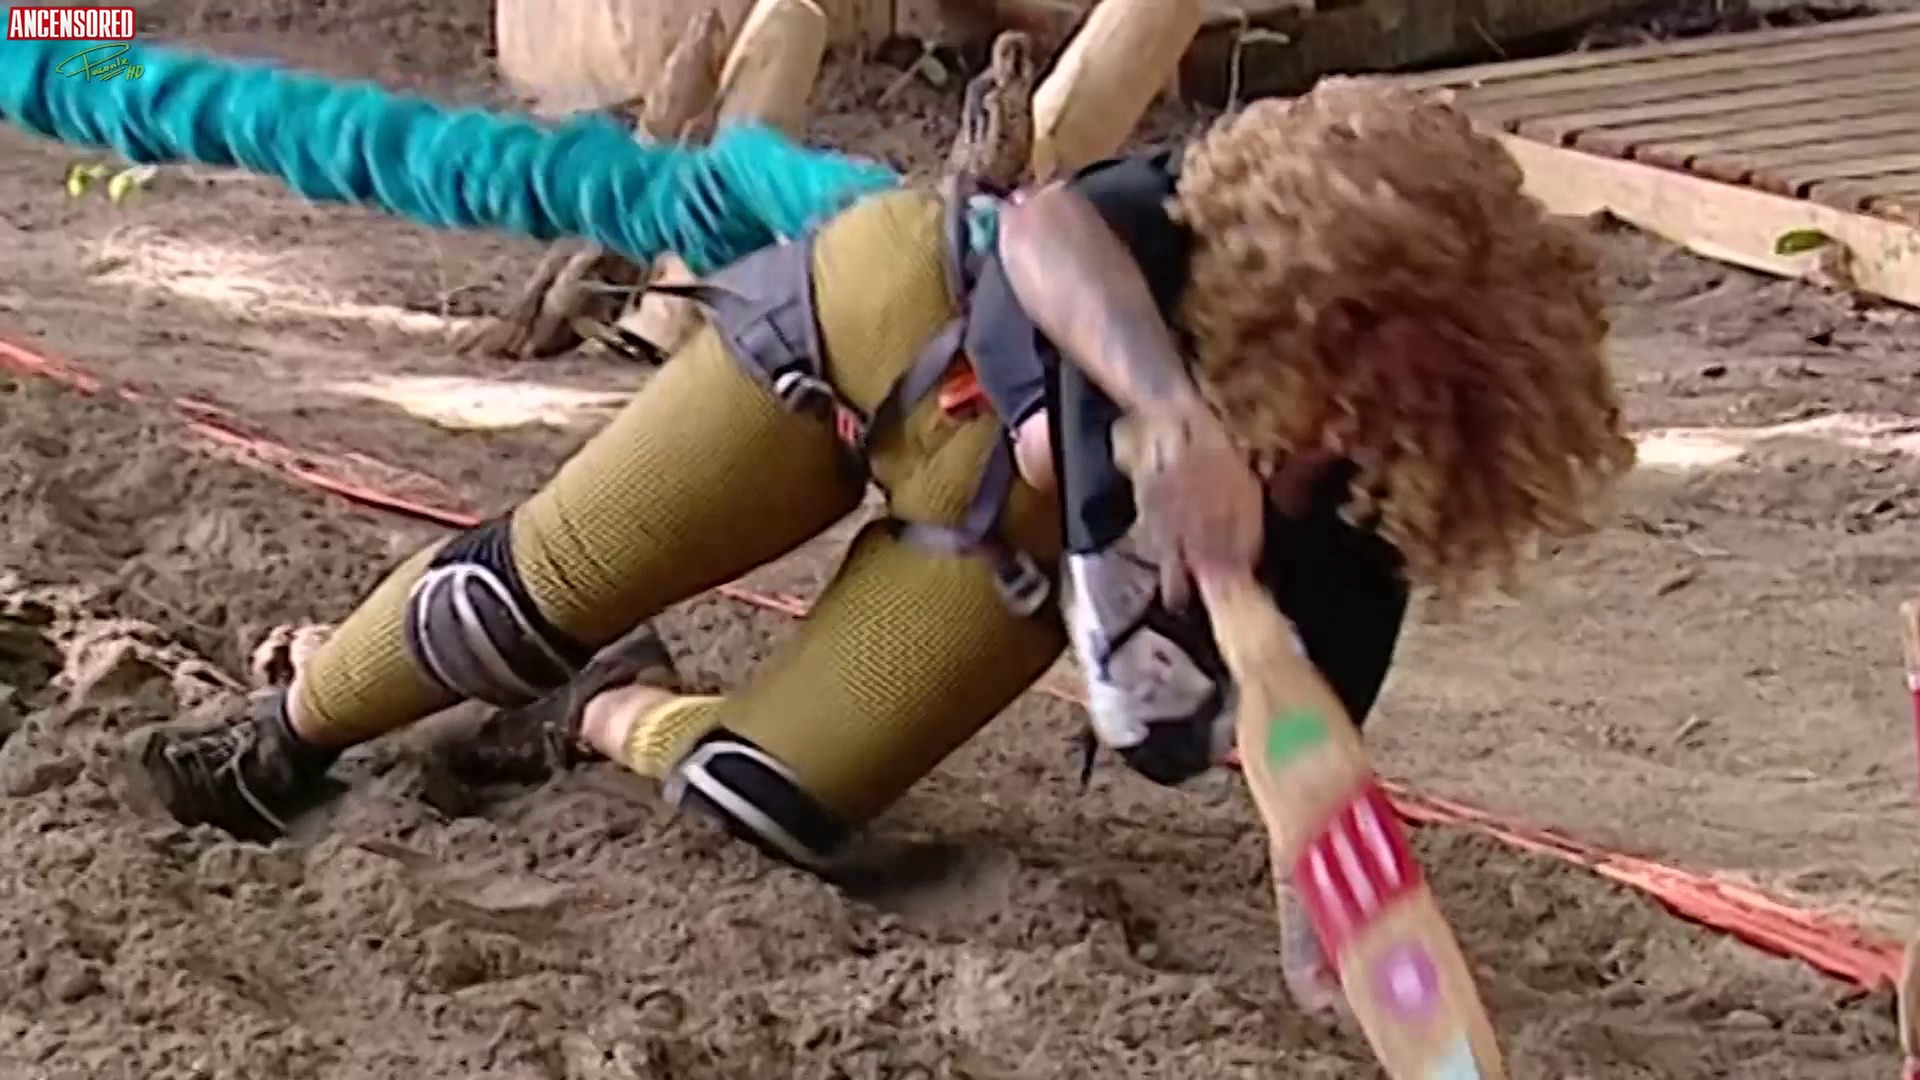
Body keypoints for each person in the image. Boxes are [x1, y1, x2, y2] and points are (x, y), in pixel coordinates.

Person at [130, 78, 1634, 1001]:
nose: (1321, 440)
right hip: (871, 340)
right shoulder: (1178, 223)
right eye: (1320, 384)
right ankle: (288, 730)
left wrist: (1336, 919)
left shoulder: (1361, 507)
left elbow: (1304, 739)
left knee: (763, 800)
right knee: (522, 595)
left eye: (1367, 422)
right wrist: (1171, 411)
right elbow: (1045, 236)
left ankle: (600, 705)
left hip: (997, 544)